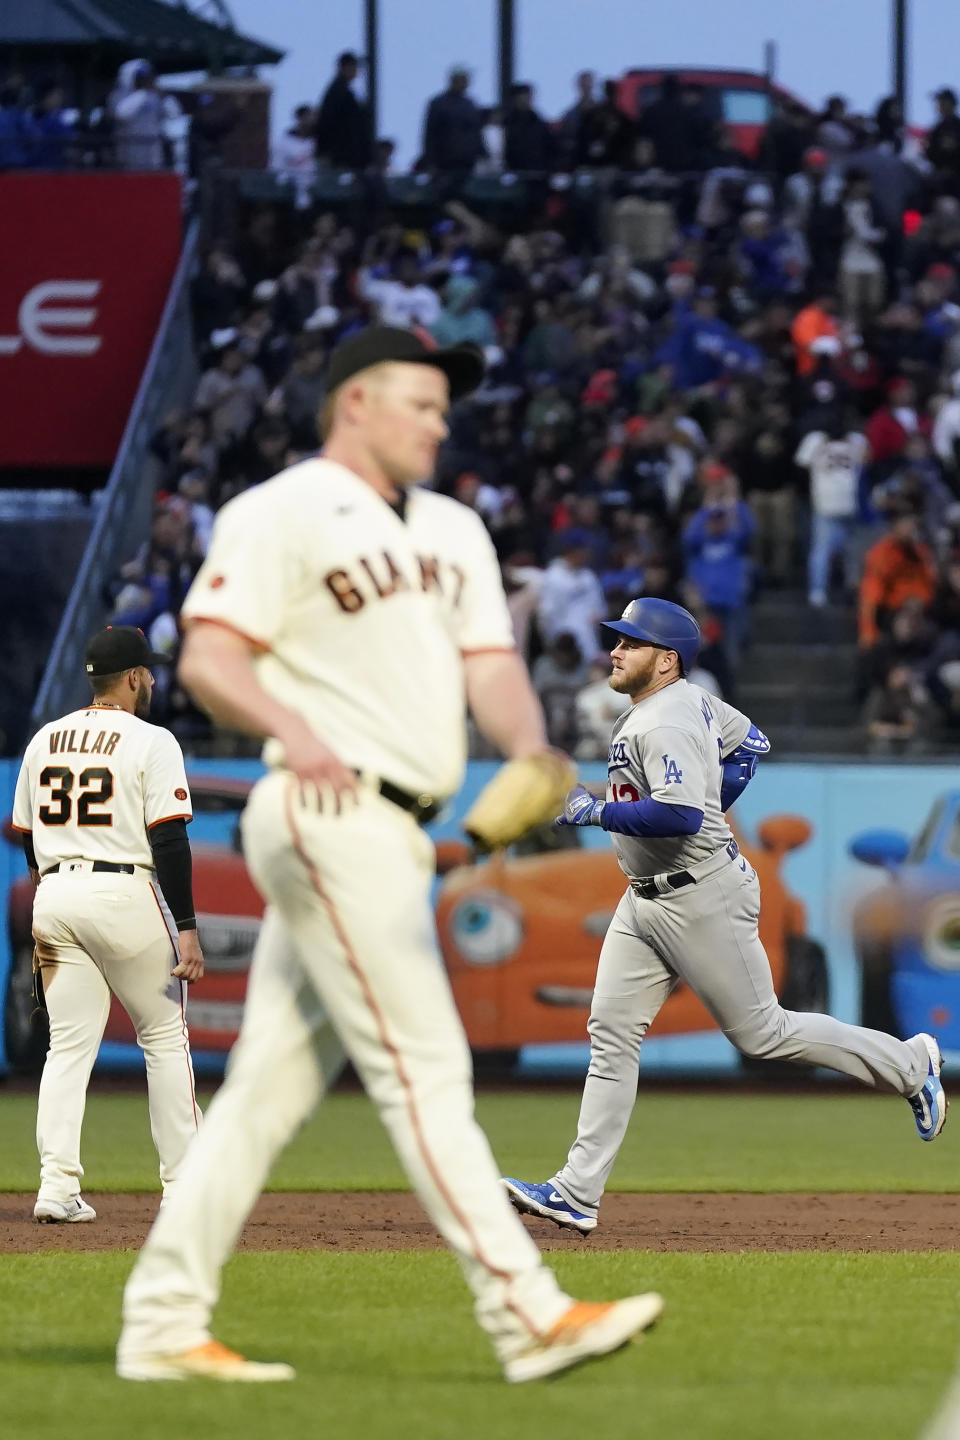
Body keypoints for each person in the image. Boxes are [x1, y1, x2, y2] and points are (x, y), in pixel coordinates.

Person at [116, 326, 664, 1385]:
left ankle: (161, 1324)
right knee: (425, 1066)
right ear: (355, 401)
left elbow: (490, 662)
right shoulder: (276, 510)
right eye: (421, 402)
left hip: (397, 825)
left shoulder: (456, 527)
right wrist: (300, 729)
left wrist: (530, 744)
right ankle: (526, 1313)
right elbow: (213, 649)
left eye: (443, 407)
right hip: (327, 806)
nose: (439, 421)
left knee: (265, 1096)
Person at [501, 597, 946, 1236]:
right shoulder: (685, 704)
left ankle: (910, 1064)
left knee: (763, 1033)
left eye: (630, 642)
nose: (616, 651)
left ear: (666, 660)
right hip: (644, 897)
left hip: (700, 892)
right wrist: (710, 795)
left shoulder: (664, 722)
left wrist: (588, 810)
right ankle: (576, 1192)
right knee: (612, 1033)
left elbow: (680, 816)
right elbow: (751, 744)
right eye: (618, 639)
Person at [12, 627, 204, 1224]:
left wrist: (53, 891)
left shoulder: (45, 738)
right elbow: (169, 838)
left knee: (67, 1048)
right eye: (146, 671)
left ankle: (56, 1187)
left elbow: (24, 835)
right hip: (123, 890)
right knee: (165, 1038)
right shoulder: (152, 739)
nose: (151, 678)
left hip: (56, 890)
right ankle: (185, 1190)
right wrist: (190, 928)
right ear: (131, 678)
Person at [794, 415, 868, 606]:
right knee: (845, 551)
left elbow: (800, 463)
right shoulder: (856, 440)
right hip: (845, 503)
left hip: (830, 504)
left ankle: (820, 591)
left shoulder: (816, 440)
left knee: (825, 551)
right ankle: (836, 590)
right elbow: (869, 460)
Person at [421, 66, 485, 173]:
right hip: (445, 159)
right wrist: (430, 160)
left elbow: (476, 132)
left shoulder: (470, 104)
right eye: (461, 80)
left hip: (468, 158)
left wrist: (481, 152)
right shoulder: (439, 104)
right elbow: (430, 133)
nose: (464, 84)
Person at [314, 52, 370, 170]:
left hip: (349, 155)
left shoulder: (345, 91)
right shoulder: (337, 92)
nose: (355, 71)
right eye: (352, 67)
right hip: (340, 156)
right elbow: (327, 123)